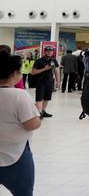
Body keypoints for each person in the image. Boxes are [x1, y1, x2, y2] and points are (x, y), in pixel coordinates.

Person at [0, 51, 41, 196]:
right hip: (16, 156)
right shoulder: (19, 95)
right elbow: (32, 124)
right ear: (13, 74)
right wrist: (38, 115)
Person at [30, 47, 59, 119]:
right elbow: (33, 72)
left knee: (47, 98)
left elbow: (56, 70)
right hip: (40, 82)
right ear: (45, 52)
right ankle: (39, 113)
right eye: (48, 51)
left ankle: (43, 111)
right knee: (39, 98)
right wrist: (44, 69)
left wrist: (58, 81)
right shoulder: (39, 61)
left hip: (49, 81)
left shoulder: (53, 60)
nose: (50, 52)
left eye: (51, 51)